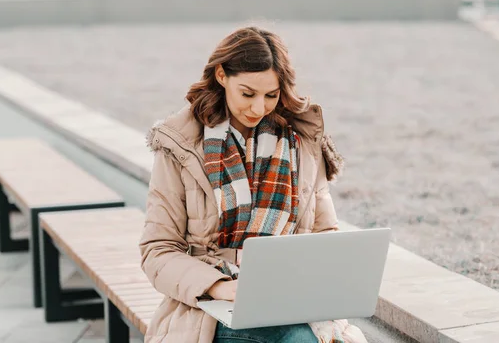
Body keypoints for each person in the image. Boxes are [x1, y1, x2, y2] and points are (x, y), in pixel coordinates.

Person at [140, 26, 367, 343]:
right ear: (221, 76)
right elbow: (158, 251)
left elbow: (324, 235)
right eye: (247, 94)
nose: (259, 108)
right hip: (207, 311)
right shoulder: (181, 146)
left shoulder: (302, 144)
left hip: (291, 301)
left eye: (271, 96)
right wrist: (220, 286)